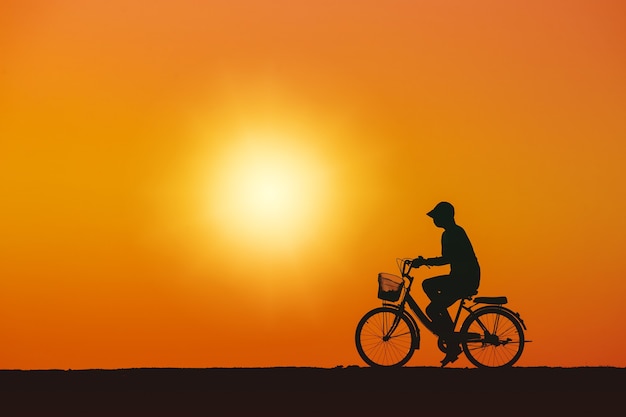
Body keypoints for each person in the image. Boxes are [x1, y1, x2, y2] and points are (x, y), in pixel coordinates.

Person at [410, 201, 480, 367]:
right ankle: (449, 334)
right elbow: (448, 258)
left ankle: (450, 338)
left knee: (432, 307)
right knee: (429, 289)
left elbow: (447, 259)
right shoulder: (448, 233)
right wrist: (425, 261)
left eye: (437, 217)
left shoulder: (454, 233)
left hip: (465, 279)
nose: (434, 220)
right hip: (460, 277)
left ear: (445, 217)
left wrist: (425, 262)